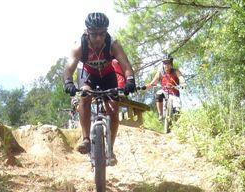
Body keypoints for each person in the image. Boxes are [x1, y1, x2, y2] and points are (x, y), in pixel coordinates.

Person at [63, 12, 136, 165]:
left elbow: (126, 66)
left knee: (114, 109)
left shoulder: (112, 44)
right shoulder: (80, 46)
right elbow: (68, 69)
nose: (98, 38)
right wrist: (68, 82)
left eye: (102, 34)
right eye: (94, 34)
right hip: (88, 76)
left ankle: (110, 148)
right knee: (84, 96)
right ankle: (86, 139)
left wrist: (130, 81)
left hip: (108, 77)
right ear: (87, 32)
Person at [146, 55, 186, 120]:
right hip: (164, 92)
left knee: (177, 110)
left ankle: (176, 124)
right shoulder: (160, 72)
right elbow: (153, 83)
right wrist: (144, 87)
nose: (166, 65)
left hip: (174, 93)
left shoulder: (175, 71)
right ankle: (160, 114)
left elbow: (181, 78)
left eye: (168, 63)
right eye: (165, 63)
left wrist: (183, 83)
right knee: (158, 93)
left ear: (171, 64)